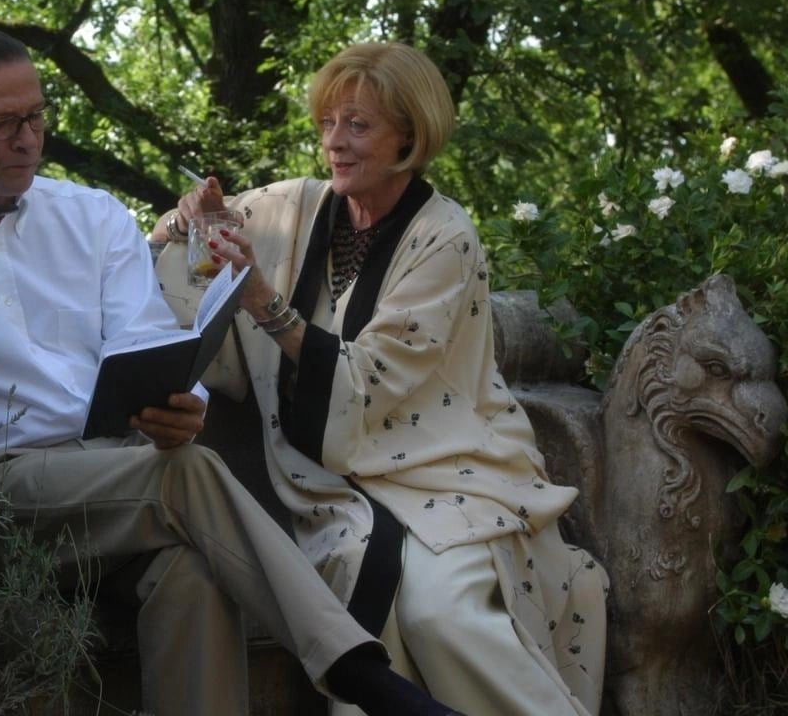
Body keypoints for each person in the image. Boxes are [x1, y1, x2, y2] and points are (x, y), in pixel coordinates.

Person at [0, 26, 462, 716]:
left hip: (114, 480)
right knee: (184, 477)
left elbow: (150, 342)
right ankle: (362, 675)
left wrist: (181, 404)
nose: (28, 139)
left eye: (36, 115)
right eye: (2, 123)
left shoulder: (93, 217)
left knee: (193, 570)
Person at [153, 42, 609, 716]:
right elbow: (172, 245)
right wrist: (187, 218)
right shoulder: (290, 206)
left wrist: (260, 299)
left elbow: (369, 385)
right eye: (326, 124)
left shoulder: (445, 237)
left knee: (441, 613)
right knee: (393, 587)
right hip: (334, 487)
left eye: (358, 125)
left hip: (453, 474)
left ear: (409, 134)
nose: (335, 143)